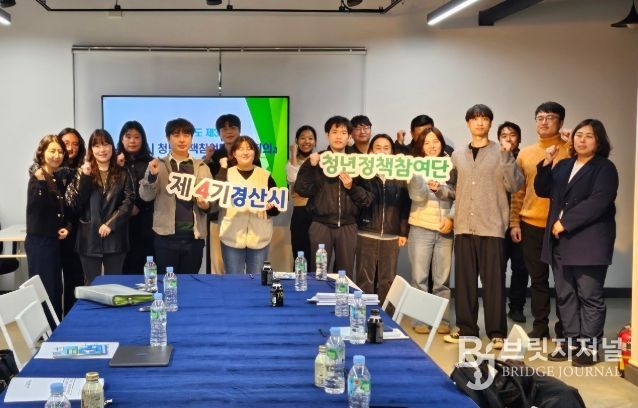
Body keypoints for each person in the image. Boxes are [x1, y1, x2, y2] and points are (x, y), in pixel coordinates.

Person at [535, 119, 617, 367]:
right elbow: (542, 190)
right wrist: (547, 162)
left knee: (589, 297)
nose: (582, 140)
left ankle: (590, 347)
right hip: (560, 242)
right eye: (578, 135)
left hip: (589, 242)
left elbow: (599, 201)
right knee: (565, 295)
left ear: (599, 141)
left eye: (589, 136)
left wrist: (566, 222)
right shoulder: (564, 164)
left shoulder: (605, 168)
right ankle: (570, 343)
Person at [441, 104, 523, 349]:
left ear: (490, 123)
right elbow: (453, 189)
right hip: (464, 227)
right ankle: (467, 329)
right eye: (475, 119)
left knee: (494, 283)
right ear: (468, 123)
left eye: (484, 119)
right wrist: (439, 189)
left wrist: (507, 157)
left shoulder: (501, 152)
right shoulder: (458, 155)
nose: (480, 123)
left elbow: (515, 185)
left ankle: (497, 332)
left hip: (492, 227)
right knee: (464, 283)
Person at [510, 102, 570, 339]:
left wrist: (571, 143)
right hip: (531, 224)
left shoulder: (571, 150)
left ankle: (565, 327)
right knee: (537, 279)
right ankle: (540, 325)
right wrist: (514, 222)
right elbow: (518, 192)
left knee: (564, 280)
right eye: (540, 118)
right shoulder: (525, 153)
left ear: (561, 122)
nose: (544, 122)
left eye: (550, 117)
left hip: (560, 227)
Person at [295, 116, 373, 277]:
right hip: (320, 225)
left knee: (345, 274)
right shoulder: (317, 159)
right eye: (334, 132)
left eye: (343, 133)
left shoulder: (358, 161)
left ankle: (342, 295)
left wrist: (351, 187)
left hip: (348, 225)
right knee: (319, 273)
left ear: (349, 136)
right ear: (327, 135)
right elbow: (302, 190)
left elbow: (367, 199)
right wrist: (311, 167)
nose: (339, 136)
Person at [139, 118, 212, 275]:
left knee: (190, 283)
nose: (181, 139)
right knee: (167, 283)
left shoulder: (202, 167)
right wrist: (152, 176)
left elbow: (210, 202)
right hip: (165, 237)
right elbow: (146, 196)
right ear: (168, 138)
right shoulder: (157, 165)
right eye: (176, 135)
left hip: (193, 238)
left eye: (186, 135)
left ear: (191, 138)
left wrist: (205, 205)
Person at [65, 129, 135, 283]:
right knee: (92, 284)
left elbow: (129, 201)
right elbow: (75, 204)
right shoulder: (82, 172)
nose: (102, 150)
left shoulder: (124, 172)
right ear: (91, 149)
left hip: (115, 238)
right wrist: (85, 177)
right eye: (96, 146)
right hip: (89, 238)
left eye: (105, 144)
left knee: (114, 284)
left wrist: (111, 224)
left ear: (112, 147)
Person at [407, 128, 454, 335]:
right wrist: (417, 178)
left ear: (442, 143)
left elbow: (460, 193)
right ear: (421, 146)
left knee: (442, 280)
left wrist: (451, 217)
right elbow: (417, 197)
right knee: (419, 278)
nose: (432, 146)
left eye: (435, 141)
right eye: (427, 142)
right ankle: (419, 319)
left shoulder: (452, 164)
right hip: (421, 227)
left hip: (446, 228)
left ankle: (443, 320)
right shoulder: (415, 165)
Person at [203, 114, 261, 273]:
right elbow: (207, 183)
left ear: (239, 130)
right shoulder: (214, 155)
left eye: (233, 127)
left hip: (245, 214)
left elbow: (258, 181)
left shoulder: (249, 154)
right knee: (219, 264)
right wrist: (207, 159)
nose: (228, 131)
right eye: (224, 129)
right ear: (219, 133)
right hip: (219, 215)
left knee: (248, 266)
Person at [356, 134, 410, 304]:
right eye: (377, 148)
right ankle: (363, 313)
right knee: (364, 278)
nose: (382, 152)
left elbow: (405, 204)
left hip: (391, 235)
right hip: (366, 233)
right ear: (371, 152)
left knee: (388, 280)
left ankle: (386, 316)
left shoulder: (400, 175)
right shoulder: (362, 174)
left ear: (392, 152)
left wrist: (403, 232)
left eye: (386, 148)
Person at [25, 135, 74, 319]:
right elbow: (36, 209)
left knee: (55, 289)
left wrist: (67, 227)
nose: (57, 155)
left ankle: (56, 327)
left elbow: (62, 211)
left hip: (53, 242)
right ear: (42, 153)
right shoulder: (38, 178)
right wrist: (41, 183)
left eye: (60, 151)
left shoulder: (56, 177)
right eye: (52, 151)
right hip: (40, 243)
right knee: (44, 292)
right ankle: (47, 330)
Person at [216, 136, 280, 274]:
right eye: (240, 149)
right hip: (231, 237)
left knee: (256, 280)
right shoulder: (226, 174)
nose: (245, 152)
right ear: (234, 153)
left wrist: (271, 207)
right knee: (234, 280)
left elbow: (276, 209)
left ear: (255, 152)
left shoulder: (265, 175)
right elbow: (215, 200)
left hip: (259, 237)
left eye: (249, 149)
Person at [497, 121, 529, 324]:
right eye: (504, 135)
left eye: (512, 135)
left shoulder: (524, 159)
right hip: (497, 223)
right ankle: (497, 306)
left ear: (519, 139)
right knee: (496, 268)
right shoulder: (494, 159)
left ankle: (516, 307)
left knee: (521, 267)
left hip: (521, 221)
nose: (508, 138)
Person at [116, 121, 155, 275]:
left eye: (137, 137)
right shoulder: (114, 162)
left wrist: (138, 205)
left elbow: (154, 190)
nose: (132, 141)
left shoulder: (151, 162)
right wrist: (117, 167)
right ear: (121, 139)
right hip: (120, 223)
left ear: (142, 139)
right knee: (123, 269)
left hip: (145, 222)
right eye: (128, 137)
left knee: (145, 266)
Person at [57, 128, 86, 314]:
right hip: (53, 232)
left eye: (75, 144)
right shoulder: (46, 169)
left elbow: (77, 204)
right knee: (52, 283)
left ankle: (71, 317)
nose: (70, 148)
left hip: (76, 231)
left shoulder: (84, 169)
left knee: (74, 279)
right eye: (66, 143)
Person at [286, 125, 317, 261]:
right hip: (300, 211)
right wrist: (293, 154)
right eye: (303, 138)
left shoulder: (321, 160)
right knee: (300, 254)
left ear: (315, 142)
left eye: (310, 138)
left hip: (318, 211)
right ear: (297, 141)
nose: (306, 141)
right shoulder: (291, 162)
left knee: (317, 254)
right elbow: (293, 180)